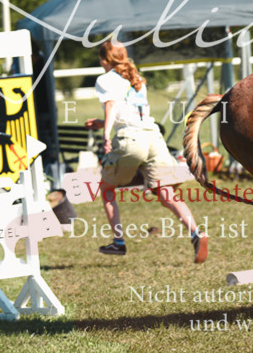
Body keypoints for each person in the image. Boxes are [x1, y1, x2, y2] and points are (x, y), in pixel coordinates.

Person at [85, 39, 208, 262]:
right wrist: (102, 123)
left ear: (104, 60)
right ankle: (196, 232)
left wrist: (106, 135)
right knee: (166, 192)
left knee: (107, 189)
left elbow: (112, 106)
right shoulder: (135, 77)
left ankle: (118, 242)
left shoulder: (105, 78)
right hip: (153, 137)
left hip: (130, 139)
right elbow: (131, 113)